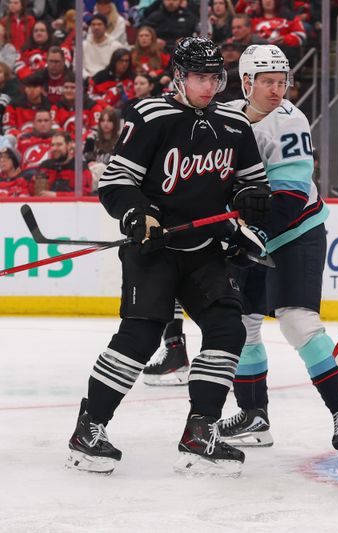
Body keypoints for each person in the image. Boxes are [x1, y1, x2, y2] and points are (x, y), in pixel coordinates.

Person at [65, 37, 271, 476]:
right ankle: (90, 428)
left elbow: (251, 183)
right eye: (200, 77)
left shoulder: (234, 126)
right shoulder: (150, 115)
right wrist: (137, 214)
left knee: (227, 329)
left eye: (216, 77)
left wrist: (250, 201)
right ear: (178, 76)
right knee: (140, 338)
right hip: (153, 249)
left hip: (204, 252)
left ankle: (201, 431)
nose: (210, 86)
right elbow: (117, 180)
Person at [214, 44, 338, 453]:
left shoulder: (289, 121)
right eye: (268, 82)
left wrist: (250, 232)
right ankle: (254, 415)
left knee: (297, 322)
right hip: (252, 230)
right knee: (242, 326)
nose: (278, 90)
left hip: (296, 232)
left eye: (282, 82)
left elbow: (292, 197)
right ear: (246, 82)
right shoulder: (224, 118)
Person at [35, 130, 93, 197]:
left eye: (59, 145)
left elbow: (84, 194)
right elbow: (32, 188)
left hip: (71, 206)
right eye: (52, 145)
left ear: (69, 145)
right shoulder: (45, 166)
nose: (54, 148)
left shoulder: (80, 167)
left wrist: (56, 195)